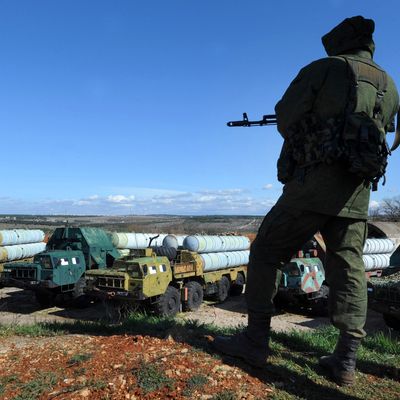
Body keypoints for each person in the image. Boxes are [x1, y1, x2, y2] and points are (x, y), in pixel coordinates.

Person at [213, 16, 399, 386]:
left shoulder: (325, 69)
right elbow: (386, 130)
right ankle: (346, 359)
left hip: (313, 182)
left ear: (339, 43)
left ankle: (255, 339)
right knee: (349, 266)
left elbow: (286, 117)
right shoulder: (390, 85)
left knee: (266, 250)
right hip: (358, 189)